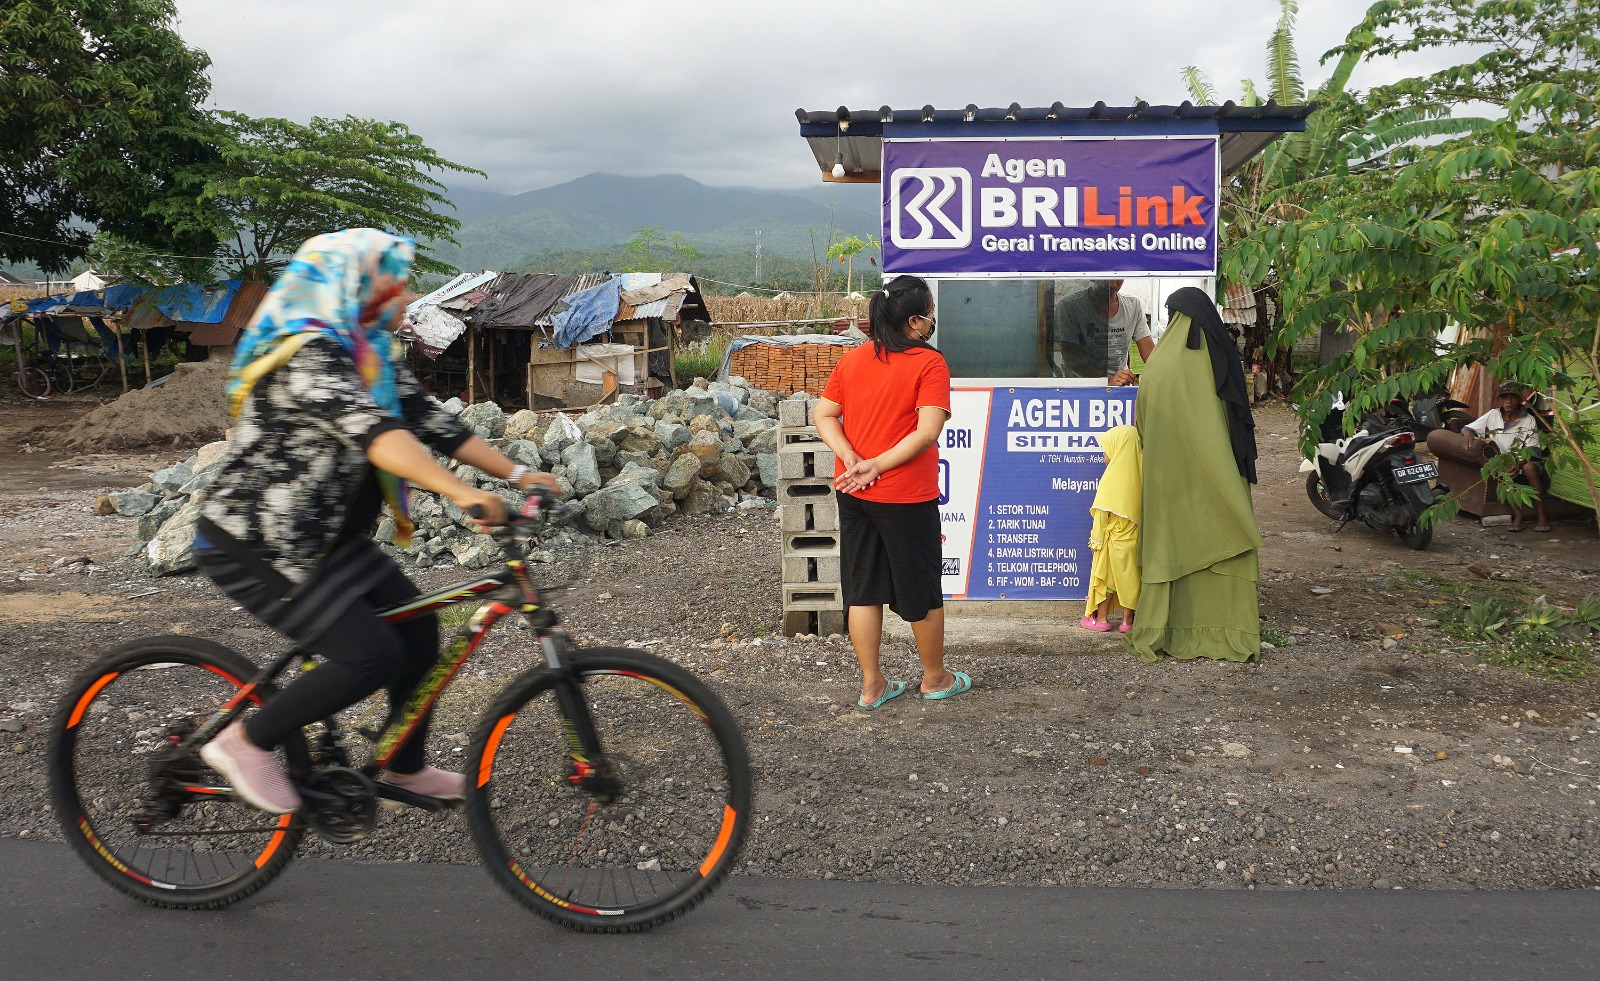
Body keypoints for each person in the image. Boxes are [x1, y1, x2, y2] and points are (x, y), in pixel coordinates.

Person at [194, 229, 561, 814]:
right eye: (397, 281)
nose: (407, 293)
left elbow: (432, 423)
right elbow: (380, 437)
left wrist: (518, 476)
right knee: (370, 656)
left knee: (419, 632)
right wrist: (460, 494)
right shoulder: (306, 354)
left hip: (327, 541)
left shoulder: (370, 357)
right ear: (358, 286)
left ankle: (402, 764)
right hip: (259, 542)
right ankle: (244, 741)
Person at [814, 275, 970, 707]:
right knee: (921, 589)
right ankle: (935, 679)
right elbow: (927, 432)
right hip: (905, 495)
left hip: (854, 491)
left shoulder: (855, 360)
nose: (933, 320)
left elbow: (824, 414)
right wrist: (876, 466)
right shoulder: (929, 363)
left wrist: (851, 459)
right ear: (915, 321)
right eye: (931, 313)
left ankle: (872, 685)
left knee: (863, 589)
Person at [1124, 287, 1262, 663]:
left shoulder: (1159, 368)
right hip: (1220, 479)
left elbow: (1144, 428)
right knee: (1224, 533)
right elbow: (1240, 422)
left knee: (1172, 545)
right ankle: (1227, 629)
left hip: (1168, 484)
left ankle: (1167, 628)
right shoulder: (1222, 361)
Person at [1462, 383, 1549, 532]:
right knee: (1500, 469)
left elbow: (1532, 450)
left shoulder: (1528, 419)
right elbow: (1468, 428)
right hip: (1503, 462)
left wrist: (1519, 463)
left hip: (1525, 461)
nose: (1509, 402)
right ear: (1499, 400)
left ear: (1519, 400)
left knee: (1529, 468)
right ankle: (1518, 516)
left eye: (1513, 398)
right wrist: (1468, 433)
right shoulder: (1492, 415)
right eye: (1505, 398)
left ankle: (1542, 516)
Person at [1081, 425, 1143, 633]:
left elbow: (1101, 512)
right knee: (1131, 579)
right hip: (1134, 539)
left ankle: (1101, 619)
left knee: (1106, 580)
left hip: (1110, 541)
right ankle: (1127, 621)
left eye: (1106, 449)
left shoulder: (1111, 478)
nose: (1104, 455)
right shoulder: (1142, 475)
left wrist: (1096, 541)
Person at [1053, 280, 1153, 385]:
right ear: (1094, 276)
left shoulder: (1133, 306)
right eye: (1108, 278)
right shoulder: (1069, 305)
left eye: (1119, 277)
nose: (1114, 284)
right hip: (1079, 388)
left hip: (1119, 387)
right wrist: (1109, 380)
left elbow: (1149, 353)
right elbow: (1071, 358)